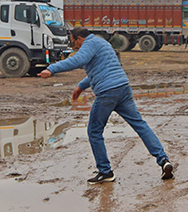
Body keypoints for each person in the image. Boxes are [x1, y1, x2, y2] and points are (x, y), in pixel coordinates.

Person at [39, 28, 174, 184]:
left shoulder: (89, 44)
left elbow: (77, 61)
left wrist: (51, 69)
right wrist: (80, 87)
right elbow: (100, 70)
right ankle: (163, 160)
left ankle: (105, 171)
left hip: (108, 92)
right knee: (140, 125)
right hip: (123, 87)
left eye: (73, 41)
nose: (74, 46)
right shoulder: (101, 43)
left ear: (80, 38)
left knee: (94, 131)